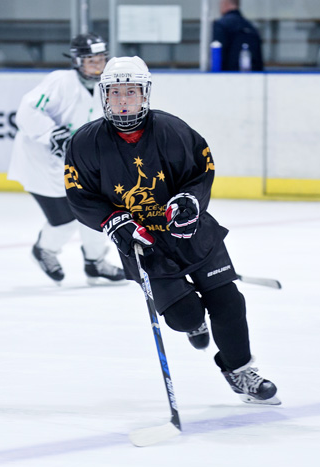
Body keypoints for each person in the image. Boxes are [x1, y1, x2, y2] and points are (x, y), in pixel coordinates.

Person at [64, 55, 280, 405]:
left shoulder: (172, 130)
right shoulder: (85, 143)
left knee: (228, 301)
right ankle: (195, 323)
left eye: (130, 92)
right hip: (143, 244)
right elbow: (78, 194)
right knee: (184, 316)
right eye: (115, 93)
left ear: (144, 94)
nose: (123, 101)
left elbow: (202, 170)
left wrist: (190, 200)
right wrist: (113, 221)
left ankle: (239, 371)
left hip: (190, 234)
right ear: (104, 96)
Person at [7, 33, 125, 286]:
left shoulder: (107, 86)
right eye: (90, 60)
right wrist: (51, 134)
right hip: (40, 161)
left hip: (78, 162)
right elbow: (27, 110)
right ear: (77, 60)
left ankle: (95, 261)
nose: (97, 65)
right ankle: (44, 250)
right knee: (65, 219)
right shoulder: (60, 81)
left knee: (99, 210)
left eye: (101, 59)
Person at [212, 0, 264, 71]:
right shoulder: (251, 27)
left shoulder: (221, 25)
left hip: (227, 76)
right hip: (252, 76)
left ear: (225, 3)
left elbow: (218, 57)